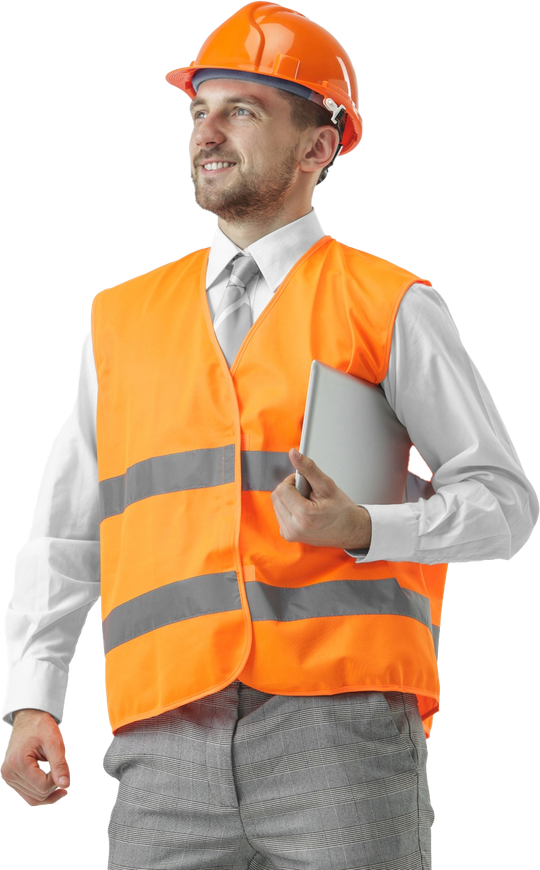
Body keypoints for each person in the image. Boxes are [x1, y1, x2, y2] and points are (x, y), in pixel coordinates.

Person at [1, 2, 537, 868]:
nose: (205, 133)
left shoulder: (388, 304)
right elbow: (65, 533)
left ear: (318, 148)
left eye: (241, 111)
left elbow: (505, 506)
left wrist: (369, 528)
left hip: (342, 732)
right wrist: (34, 697)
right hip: (159, 742)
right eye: (197, 111)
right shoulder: (121, 321)